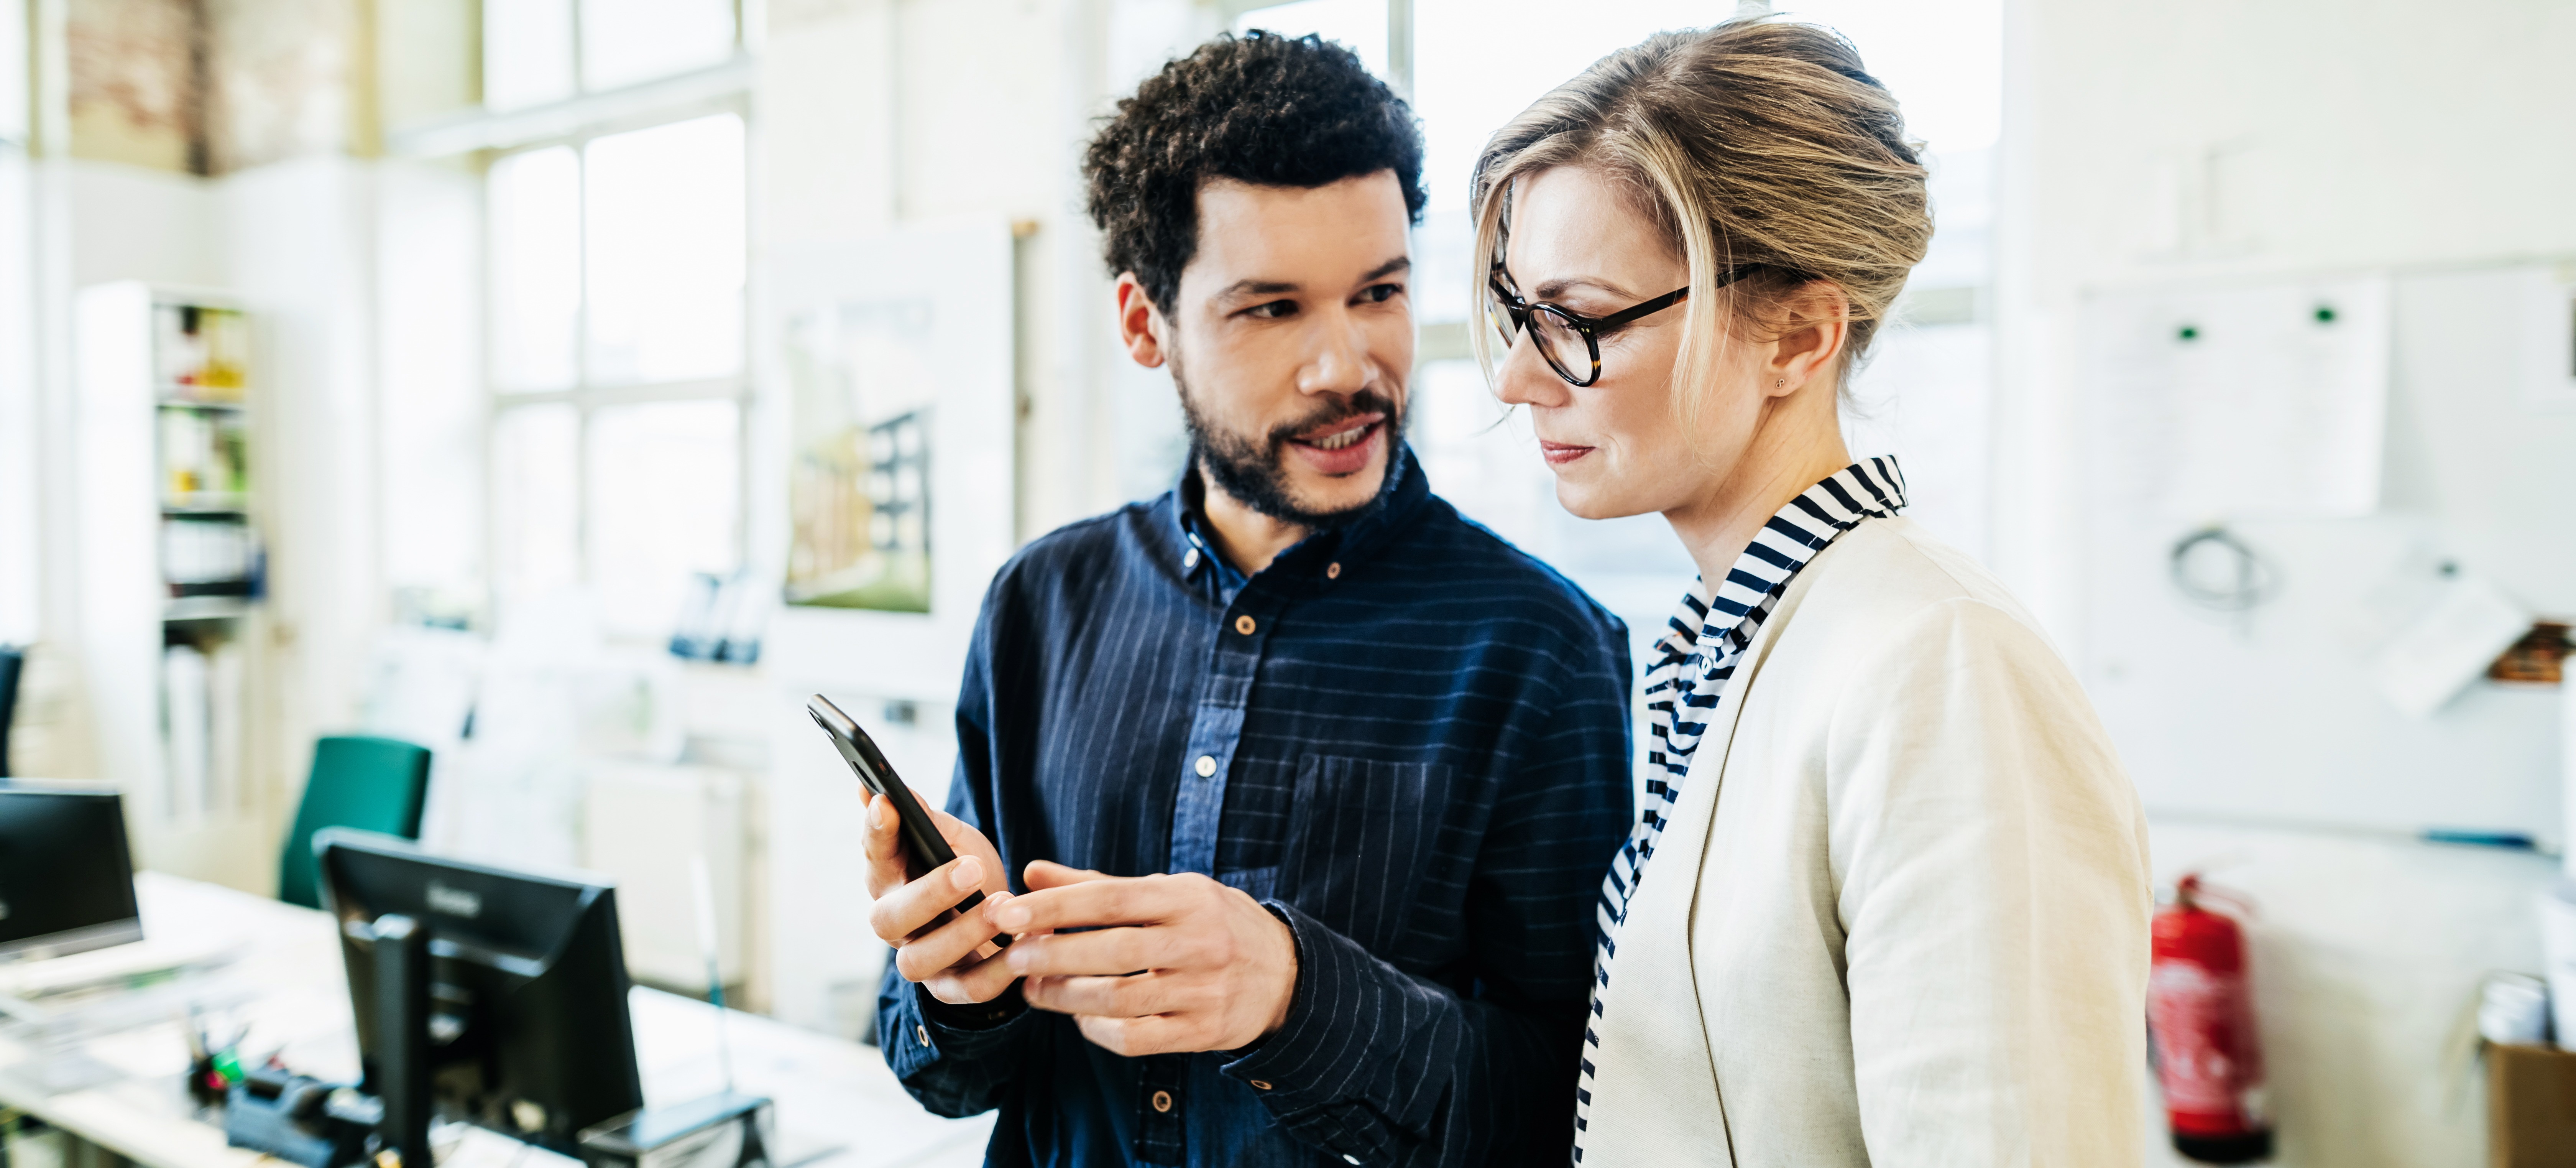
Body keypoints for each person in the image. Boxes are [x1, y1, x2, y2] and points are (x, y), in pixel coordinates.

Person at [861, 32, 1635, 1168]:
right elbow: (938, 1073)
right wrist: (964, 991)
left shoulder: (1540, 649)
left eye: (1379, 293)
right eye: (1271, 310)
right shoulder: (1040, 605)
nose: (1346, 365)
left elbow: (1572, 1111)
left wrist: (1298, 997)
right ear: (1145, 324)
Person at [1469, 19, 2152, 1166]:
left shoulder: (1942, 668)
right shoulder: (1735, 641)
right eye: (1516, 310)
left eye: (1577, 321)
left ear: (1796, 336)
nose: (1515, 376)